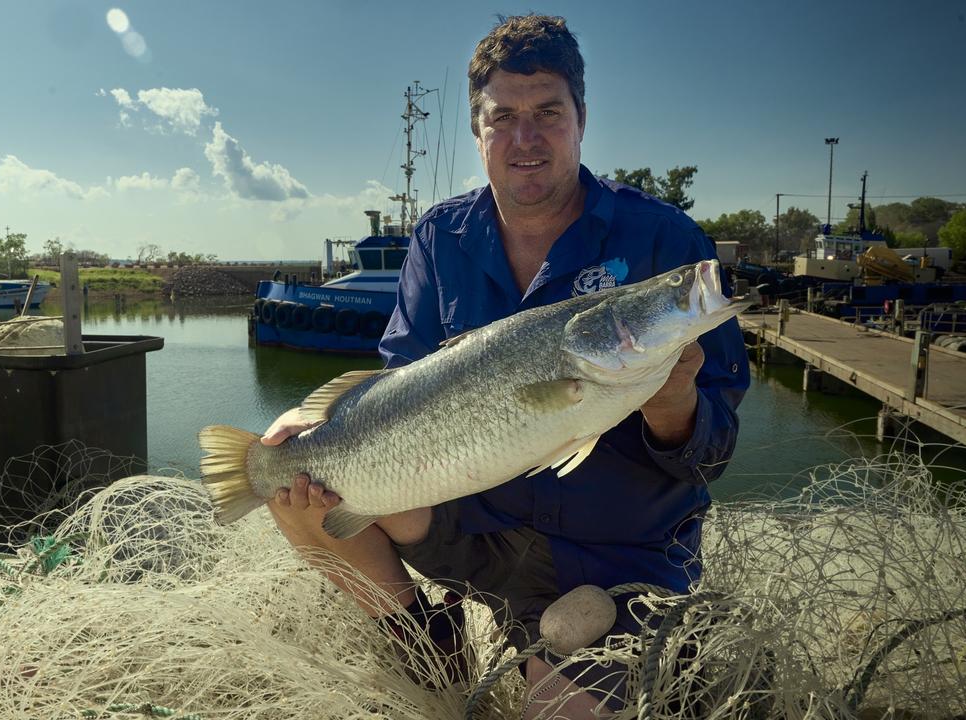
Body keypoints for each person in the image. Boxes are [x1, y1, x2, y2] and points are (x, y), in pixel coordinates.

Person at [261, 14, 749, 718]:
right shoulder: (439, 236)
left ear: (581, 118)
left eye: (548, 113)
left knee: (562, 713)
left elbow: (715, 452)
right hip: (474, 525)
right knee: (292, 472)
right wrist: (317, 426)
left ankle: (587, 653)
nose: (526, 139)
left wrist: (670, 405)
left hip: (613, 549)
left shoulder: (665, 240)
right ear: (478, 130)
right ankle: (429, 643)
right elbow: (400, 384)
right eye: (503, 118)